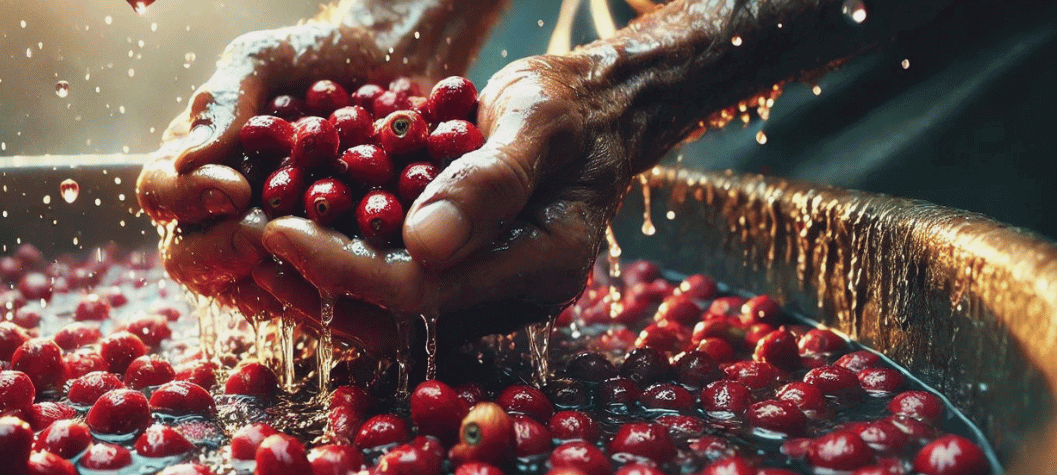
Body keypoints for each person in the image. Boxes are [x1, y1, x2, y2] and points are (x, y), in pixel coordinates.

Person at [136, 0, 964, 357]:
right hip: (576, 95)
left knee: (831, 310)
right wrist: (415, 18)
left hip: (900, 108)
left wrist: (642, 82)